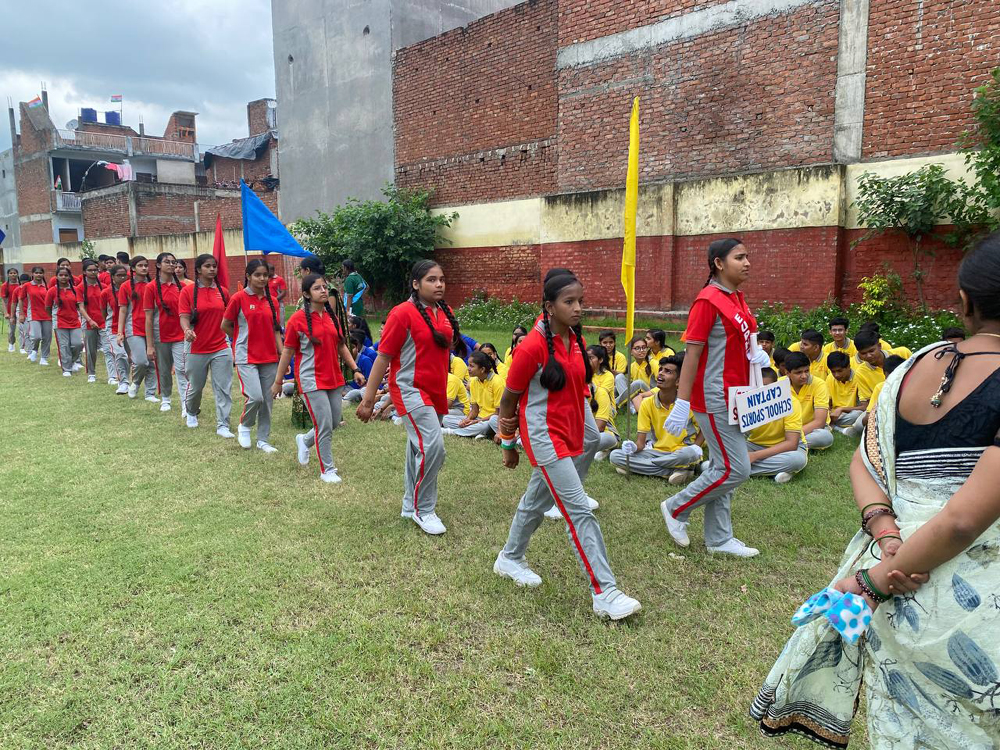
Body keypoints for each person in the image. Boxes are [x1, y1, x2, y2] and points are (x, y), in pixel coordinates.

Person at [752, 230, 1000, 749]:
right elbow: (961, 521)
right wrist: (875, 583)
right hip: (973, 611)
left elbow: (863, 462)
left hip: (896, 592)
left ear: (964, 302)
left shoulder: (911, 368)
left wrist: (886, 537)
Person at [492, 270, 642, 620]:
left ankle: (510, 558)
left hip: (573, 429)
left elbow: (577, 389)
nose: (577, 308)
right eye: (569, 302)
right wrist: (508, 444)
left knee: (536, 500)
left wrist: (588, 429)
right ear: (549, 306)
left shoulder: (573, 336)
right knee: (579, 512)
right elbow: (508, 400)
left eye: (580, 301)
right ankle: (605, 593)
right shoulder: (531, 346)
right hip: (545, 437)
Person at [660, 238, 765, 557]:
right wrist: (682, 402)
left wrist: (756, 354)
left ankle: (719, 538)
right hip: (715, 396)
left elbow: (738, 344)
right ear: (719, 263)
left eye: (747, 257)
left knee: (722, 465)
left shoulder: (737, 298)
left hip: (739, 395)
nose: (747, 263)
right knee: (736, 469)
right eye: (739, 257)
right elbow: (691, 355)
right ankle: (676, 508)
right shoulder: (707, 301)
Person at [356, 260, 464, 536]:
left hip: (436, 389)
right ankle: (423, 509)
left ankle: (409, 504)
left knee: (419, 448)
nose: (439, 284)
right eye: (431, 279)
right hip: (409, 390)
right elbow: (383, 357)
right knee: (434, 447)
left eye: (442, 279)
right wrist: (369, 400)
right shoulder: (402, 313)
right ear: (416, 284)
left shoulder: (445, 311)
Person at [272, 273, 365, 480]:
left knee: (333, 422)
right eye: (317, 288)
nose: (323, 291)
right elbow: (287, 352)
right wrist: (278, 382)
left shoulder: (332, 317)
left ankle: (304, 441)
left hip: (334, 377)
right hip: (310, 379)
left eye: (324, 287)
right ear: (306, 294)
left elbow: (342, 346)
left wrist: (355, 369)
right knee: (324, 425)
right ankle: (327, 470)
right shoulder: (297, 320)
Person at [610, 355, 703, 483]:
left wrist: (696, 446)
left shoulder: (687, 403)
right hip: (656, 451)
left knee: (690, 454)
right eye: (660, 369)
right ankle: (675, 470)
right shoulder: (647, 404)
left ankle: (640, 467)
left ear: (678, 381)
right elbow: (641, 444)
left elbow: (705, 429)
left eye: (668, 371)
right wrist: (633, 447)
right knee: (615, 456)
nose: (661, 373)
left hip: (682, 451)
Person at [223, 261, 284, 451]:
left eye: (265, 275)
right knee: (256, 397)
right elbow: (225, 325)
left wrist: (282, 354)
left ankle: (263, 440)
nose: (262, 278)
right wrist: (240, 339)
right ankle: (245, 425)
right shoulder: (238, 298)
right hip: (246, 356)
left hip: (269, 357)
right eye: (257, 275)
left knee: (267, 400)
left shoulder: (272, 301)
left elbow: (276, 330)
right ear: (248, 276)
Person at [178, 254, 234, 437]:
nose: (212, 269)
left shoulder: (223, 292)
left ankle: (223, 425)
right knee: (196, 386)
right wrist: (187, 330)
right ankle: (191, 411)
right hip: (196, 346)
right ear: (198, 269)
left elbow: (229, 317)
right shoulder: (187, 291)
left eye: (214, 266)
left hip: (221, 346)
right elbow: (184, 316)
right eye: (207, 266)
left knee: (223, 387)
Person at [144, 252, 188, 414]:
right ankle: (166, 398)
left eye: (173, 262)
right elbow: (148, 318)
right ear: (158, 265)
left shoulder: (183, 287)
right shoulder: (151, 287)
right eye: (167, 262)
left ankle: (186, 403)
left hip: (180, 334)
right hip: (160, 335)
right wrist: (150, 345)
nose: (171, 265)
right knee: (164, 369)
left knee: (182, 368)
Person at [746, 367, 809, 482]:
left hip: (786, 449)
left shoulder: (790, 402)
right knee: (722, 453)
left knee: (797, 460)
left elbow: (791, 444)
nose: (761, 391)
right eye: (757, 387)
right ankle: (774, 471)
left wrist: (755, 456)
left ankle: (739, 469)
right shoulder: (746, 402)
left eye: (766, 386)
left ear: (776, 386)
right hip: (756, 444)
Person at [117, 256, 157, 402]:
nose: (144, 268)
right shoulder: (125, 286)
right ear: (133, 268)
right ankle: (136, 383)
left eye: (146, 265)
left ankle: (150, 393)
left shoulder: (153, 285)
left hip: (152, 327)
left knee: (152, 361)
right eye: (140, 265)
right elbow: (122, 310)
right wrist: (120, 332)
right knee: (141, 361)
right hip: (133, 328)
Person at [441, 350, 504, 438]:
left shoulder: (497, 383)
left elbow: (499, 413)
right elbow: (475, 410)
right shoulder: (474, 381)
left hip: (492, 419)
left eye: (471, 366)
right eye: (468, 365)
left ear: (482, 369)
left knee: (486, 425)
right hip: (478, 419)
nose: (468, 368)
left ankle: (453, 432)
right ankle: (481, 433)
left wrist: (477, 421)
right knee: (446, 419)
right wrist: (467, 419)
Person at [46, 266, 95, 377]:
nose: (63, 277)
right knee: (64, 346)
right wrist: (54, 318)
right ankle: (67, 369)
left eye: (66, 275)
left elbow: (80, 306)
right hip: (60, 322)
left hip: (74, 321)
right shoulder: (52, 291)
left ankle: (72, 361)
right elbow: (48, 307)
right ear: (56, 277)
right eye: (61, 275)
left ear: (69, 277)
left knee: (78, 344)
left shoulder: (76, 290)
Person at [785, 351, 834, 450]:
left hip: (812, 429)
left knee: (825, 437)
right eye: (798, 372)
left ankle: (785, 445)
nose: (804, 376)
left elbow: (819, 422)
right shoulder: (779, 384)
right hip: (788, 430)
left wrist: (792, 436)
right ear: (787, 373)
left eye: (806, 371)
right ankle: (789, 445)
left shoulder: (819, 384)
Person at [853, 329, 911, 411]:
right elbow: (868, 401)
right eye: (863, 353)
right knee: (860, 420)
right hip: (882, 407)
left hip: (910, 397)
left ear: (879, 346)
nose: (868, 355)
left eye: (871, 351)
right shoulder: (861, 372)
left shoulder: (903, 353)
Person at [102, 264, 130, 394]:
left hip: (130, 327)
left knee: (131, 356)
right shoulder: (106, 293)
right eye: (119, 275)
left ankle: (132, 381)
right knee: (120, 354)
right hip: (113, 328)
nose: (122, 278)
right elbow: (104, 311)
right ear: (112, 277)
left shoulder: (130, 289)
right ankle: (123, 382)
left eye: (124, 275)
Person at [77, 259, 106, 384]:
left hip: (104, 321)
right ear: (84, 272)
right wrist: (90, 320)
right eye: (90, 270)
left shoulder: (104, 287)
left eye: (95, 270)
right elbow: (81, 307)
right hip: (89, 323)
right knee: (91, 350)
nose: (93, 272)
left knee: (108, 349)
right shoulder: (80, 288)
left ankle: (112, 375)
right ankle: (91, 373)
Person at [825, 350, 864, 433]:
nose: (836, 375)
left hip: (851, 413)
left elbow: (864, 407)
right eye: (833, 372)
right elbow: (827, 403)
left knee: (858, 415)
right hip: (835, 414)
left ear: (848, 367)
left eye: (839, 371)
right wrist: (828, 412)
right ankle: (840, 428)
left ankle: (832, 426)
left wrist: (842, 409)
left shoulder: (859, 378)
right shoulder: (830, 378)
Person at [22, 267, 52, 365]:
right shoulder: (27, 285)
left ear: (43, 274)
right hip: (34, 314)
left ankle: (44, 358)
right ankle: (34, 350)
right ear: (32, 274)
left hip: (47, 315)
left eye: (40, 273)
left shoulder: (47, 286)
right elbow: (20, 299)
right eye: (36, 273)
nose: (38, 275)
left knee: (47, 337)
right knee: (36, 337)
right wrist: (21, 313)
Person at [616, 334, 654, 411]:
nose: (641, 350)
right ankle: (631, 407)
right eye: (637, 348)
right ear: (631, 352)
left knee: (638, 383)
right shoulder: (632, 366)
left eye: (644, 347)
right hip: (636, 396)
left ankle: (614, 404)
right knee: (619, 377)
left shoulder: (653, 363)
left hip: (650, 395)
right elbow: (629, 387)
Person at [342, 331, 378, 404]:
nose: (349, 351)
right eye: (347, 349)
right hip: (347, 388)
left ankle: (346, 399)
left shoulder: (365, 360)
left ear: (357, 347)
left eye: (352, 348)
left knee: (355, 393)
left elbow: (371, 382)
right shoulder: (342, 361)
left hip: (362, 389)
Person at [2, 268, 18, 352]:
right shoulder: (5, 285)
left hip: (21, 310)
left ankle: (24, 346)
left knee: (24, 330)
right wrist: (5, 313)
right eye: (11, 273)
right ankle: (11, 344)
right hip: (10, 311)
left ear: (17, 274)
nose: (13, 274)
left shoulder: (21, 284)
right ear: (8, 275)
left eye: (14, 273)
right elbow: (3, 300)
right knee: (12, 330)